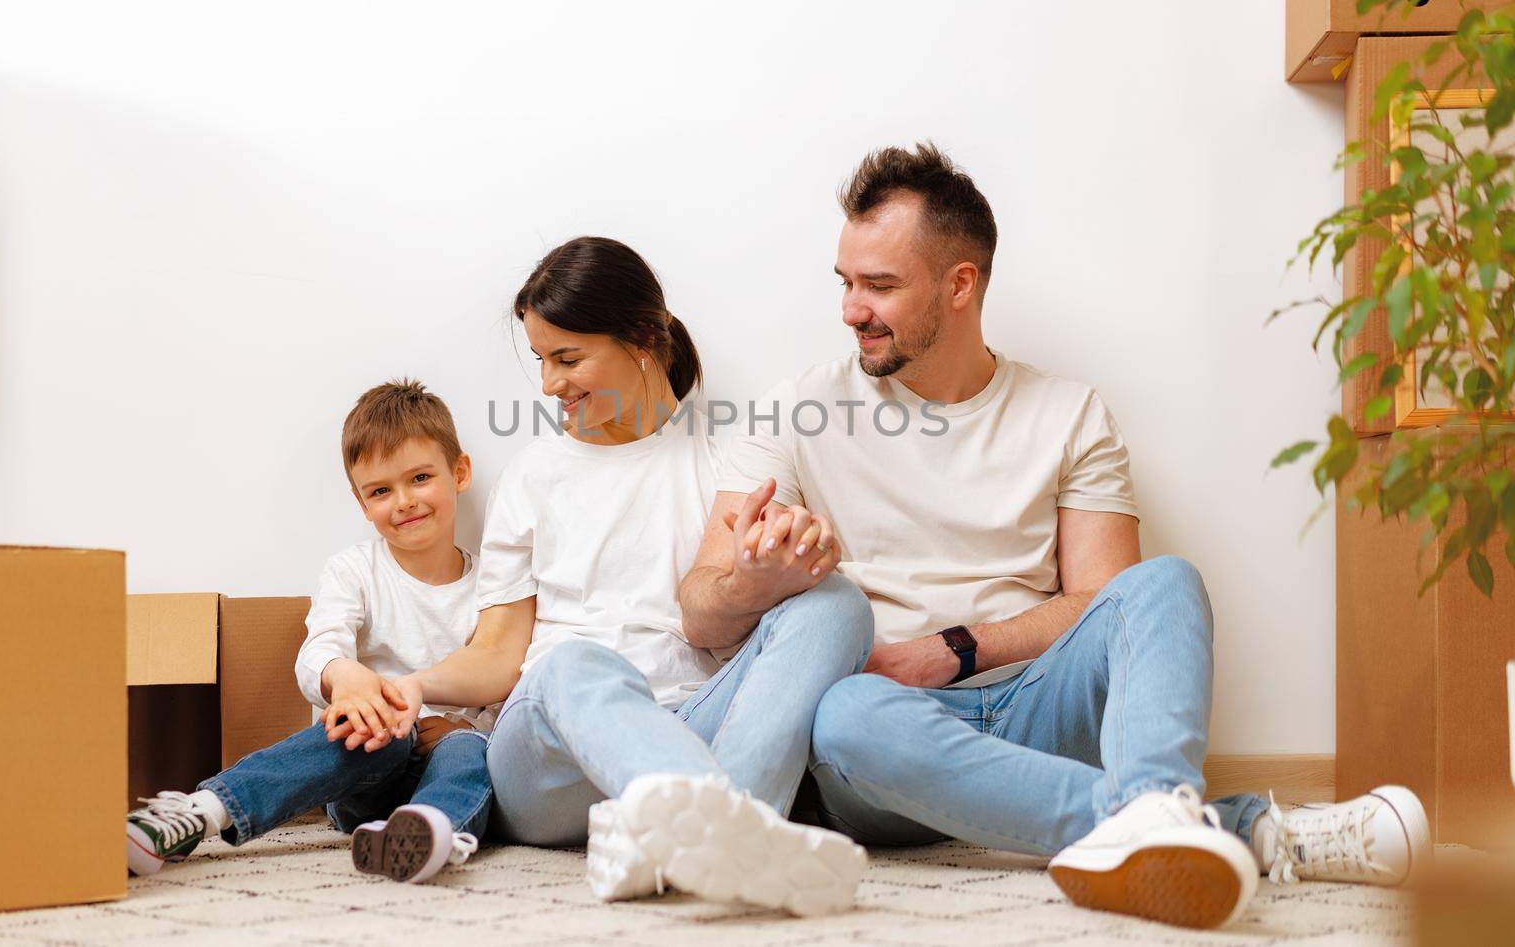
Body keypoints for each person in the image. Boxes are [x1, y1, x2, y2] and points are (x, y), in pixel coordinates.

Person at [678, 143, 1432, 930]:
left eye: (880, 285)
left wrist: (954, 648)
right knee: (845, 715)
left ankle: (1151, 820)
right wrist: (751, 583)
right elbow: (699, 612)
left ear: (959, 283)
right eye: (846, 282)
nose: (850, 308)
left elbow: (1104, 602)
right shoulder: (795, 411)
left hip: (1037, 704)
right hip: (888, 733)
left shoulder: (1067, 413)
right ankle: (1224, 826)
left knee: (1165, 581)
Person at [395, 236, 875, 916]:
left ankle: (710, 838)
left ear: (644, 337)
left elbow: (748, 625)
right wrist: (413, 685)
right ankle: (739, 823)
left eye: (567, 357)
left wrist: (778, 570)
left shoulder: (725, 467)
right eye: (541, 359)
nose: (549, 384)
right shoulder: (535, 474)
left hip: (690, 722)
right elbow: (501, 655)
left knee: (837, 602)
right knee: (571, 664)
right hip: (552, 762)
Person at [124, 380, 509, 885]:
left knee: (466, 750)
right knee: (374, 735)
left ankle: (429, 833)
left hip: (449, 763)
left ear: (459, 473)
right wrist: (345, 678)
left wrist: (470, 728)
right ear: (360, 502)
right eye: (380, 491)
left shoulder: (493, 585)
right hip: (368, 769)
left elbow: (509, 673)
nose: (404, 501)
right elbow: (320, 647)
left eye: (419, 478)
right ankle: (202, 811)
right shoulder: (354, 570)